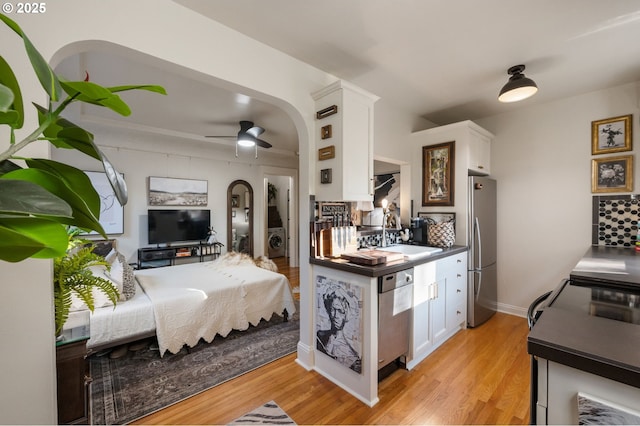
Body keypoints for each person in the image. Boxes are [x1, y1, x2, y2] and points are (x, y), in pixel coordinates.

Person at [316, 286, 362, 373]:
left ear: (347, 313)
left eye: (340, 311)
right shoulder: (320, 337)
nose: (335, 316)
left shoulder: (352, 352)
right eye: (332, 309)